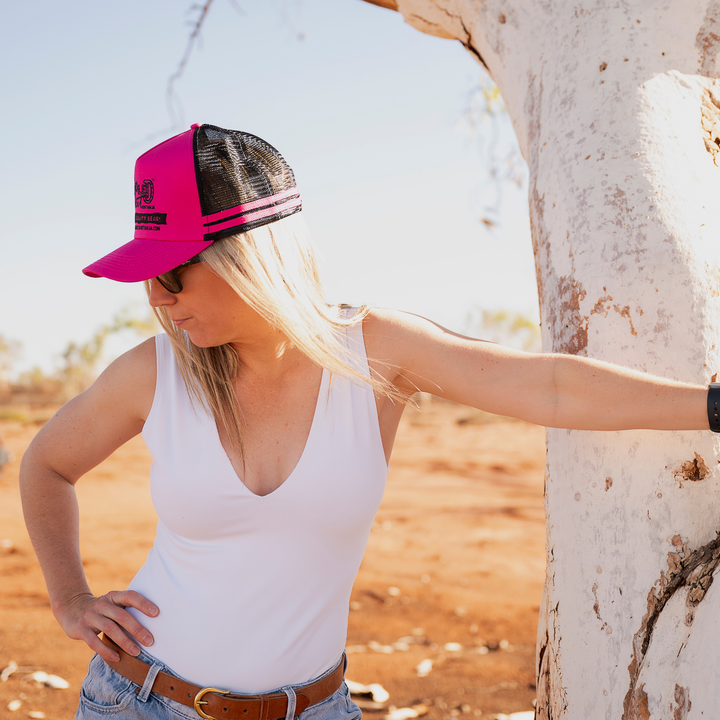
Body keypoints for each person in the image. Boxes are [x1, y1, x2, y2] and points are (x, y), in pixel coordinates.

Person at [19, 124, 715, 720]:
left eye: (171, 271)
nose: (155, 296)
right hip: (140, 700)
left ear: (248, 256)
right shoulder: (154, 372)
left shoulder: (372, 353)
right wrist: (70, 597)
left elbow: (546, 388)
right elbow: (46, 463)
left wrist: (710, 406)